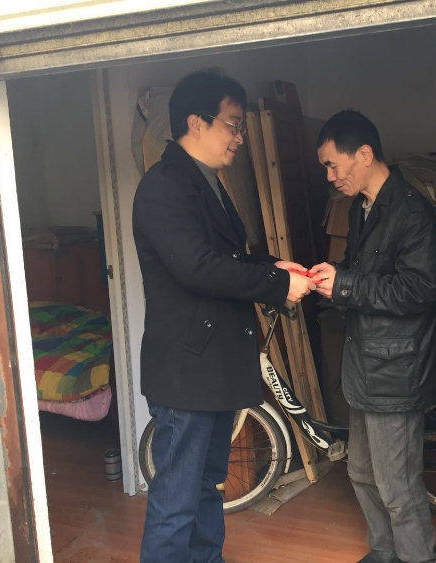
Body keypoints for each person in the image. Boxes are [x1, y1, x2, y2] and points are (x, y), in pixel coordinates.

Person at [132, 68, 314, 563]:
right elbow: (196, 268)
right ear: (196, 122)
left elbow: (228, 259)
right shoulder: (163, 187)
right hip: (186, 372)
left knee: (208, 486)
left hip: (211, 367)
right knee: (176, 499)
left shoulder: (206, 182)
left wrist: (273, 267)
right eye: (233, 124)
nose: (239, 137)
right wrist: (277, 284)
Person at [310, 110, 436, 563]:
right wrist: (333, 276)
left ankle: (420, 558)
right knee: (361, 471)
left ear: (365, 154)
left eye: (333, 164)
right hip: (366, 363)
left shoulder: (411, 211)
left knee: (397, 484)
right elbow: (363, 272)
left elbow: (419, 290)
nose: (330, 176)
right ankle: (385, 550)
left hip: (396, 368)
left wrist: (346, 285)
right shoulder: (361, 208)